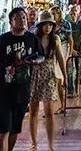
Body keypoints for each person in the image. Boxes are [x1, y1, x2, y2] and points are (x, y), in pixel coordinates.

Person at [0, 7, 43, 151]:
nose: (21, 20)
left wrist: (36, 61)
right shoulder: (2, 41)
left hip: (22, 92)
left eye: (23, 17)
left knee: (14, 130)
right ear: (11, 21)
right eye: (17, 18)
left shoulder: (32, 38)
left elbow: (41, 55)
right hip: (3, 93)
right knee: (3, 130)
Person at [29, 12, 67, 151]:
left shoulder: (55, 39)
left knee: (49, 111)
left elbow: (61, 59)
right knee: (33, 111)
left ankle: (50, 144)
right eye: (45, 24)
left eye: (50, 25)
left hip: (49, 76)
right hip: (34, 76)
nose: (47, 27)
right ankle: (34, 144)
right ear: (40, 26)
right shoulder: (33, 38)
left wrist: (65, 76)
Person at [51, 5, 72, 112]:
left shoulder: (65, 24)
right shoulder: (50, 25)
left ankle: (63, 105)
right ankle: (58, 105)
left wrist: (69, 56)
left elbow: (70, 40)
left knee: (60, 79)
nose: (53, 15)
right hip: (52, 53)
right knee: (55, 80)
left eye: (54, 13)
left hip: (63, 51)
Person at [67, 4, 81, 97]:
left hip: (80, 50)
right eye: (71, 14)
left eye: (74, 13)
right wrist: (72, 50)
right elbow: (66, 39)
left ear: (77, 14)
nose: (73, 16)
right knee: (70, 71)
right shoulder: (67, 25)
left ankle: (77, 86)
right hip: (70, 51)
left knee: (79, 70)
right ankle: (70, 91)